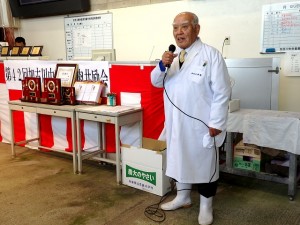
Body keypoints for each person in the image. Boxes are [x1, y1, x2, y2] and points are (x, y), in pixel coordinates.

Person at [150, 12, 231, 225]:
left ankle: (206, 206)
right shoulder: (173, 57)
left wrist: (217, 123)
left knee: (205, 165)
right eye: (175, 28)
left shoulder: (211, 55)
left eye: (184, 27)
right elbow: (156, 82)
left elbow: (222, 92)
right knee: (179, 160)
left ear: (197, 28)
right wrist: (161, 65)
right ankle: (183, 197)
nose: (178, 32)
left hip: (202, 125)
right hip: (176, 124)